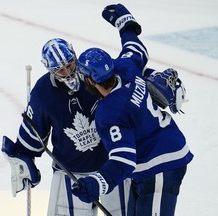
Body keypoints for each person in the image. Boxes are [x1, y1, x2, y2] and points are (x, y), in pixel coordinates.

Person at [71, 3, 193, 216]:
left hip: (160, 166)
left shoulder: (110, 113)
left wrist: (97, 183)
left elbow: (123, 160)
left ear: (90, 79)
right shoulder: (126, 67)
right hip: (154, 161)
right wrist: (125, 25)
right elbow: (136, 48)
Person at [1, 37, 134, 215]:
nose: (68, 72)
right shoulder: (43, 92)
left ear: (74, 56)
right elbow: (32, 138)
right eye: (60, 70)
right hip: (70, 172)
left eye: (70, 65)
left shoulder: (93, 73)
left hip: (111, 167)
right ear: (49, 68)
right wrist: (24, 160)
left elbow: (124, 93)